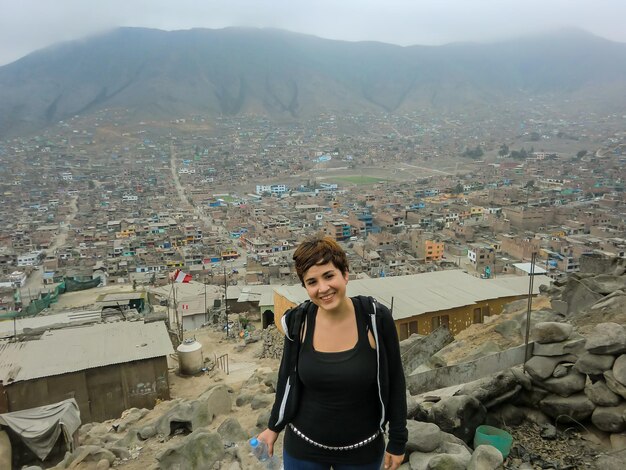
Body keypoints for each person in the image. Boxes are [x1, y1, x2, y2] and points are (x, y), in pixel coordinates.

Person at [257, 236, 407, 469]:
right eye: (312, 282)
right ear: (305, 287)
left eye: (329, 276)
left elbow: (396, 380)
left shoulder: (375, 320)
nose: (323, 288)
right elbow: (287, 377)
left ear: (345, 273)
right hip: (303, 449)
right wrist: (273, 427)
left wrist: (397, 440)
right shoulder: (299, 322)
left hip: (362, 451)